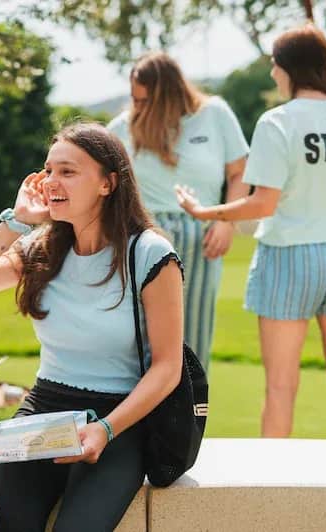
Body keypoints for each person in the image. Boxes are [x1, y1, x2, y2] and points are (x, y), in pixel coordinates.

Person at [0, 122, 184, 531]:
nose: (52, 181)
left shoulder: (148, 253)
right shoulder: (41, 247)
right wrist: (15, 222)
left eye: (68, 171)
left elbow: (167, 368)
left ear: (108, 183)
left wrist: (105, 430)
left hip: (118, 418)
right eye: (48, 170)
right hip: (43, 411)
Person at [177, 24, 326, 439]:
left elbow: (263, 204)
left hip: (290, 255)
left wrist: (206, 212)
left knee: (281, 385)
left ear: (288, 68)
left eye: (275, 67)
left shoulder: (277, 121)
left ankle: (269, 494)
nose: (273, 76)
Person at [108, 51, 250, 372]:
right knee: (138, 341)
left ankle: (189, 420)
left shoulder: (215, 114)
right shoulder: (122, 127)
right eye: (134, 100)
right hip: (140, 238)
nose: (137, 108)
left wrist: (227, 222)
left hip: (202, 239)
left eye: (144, 101)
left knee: (193, 342)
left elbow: (239, 172)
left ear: (168, 96)